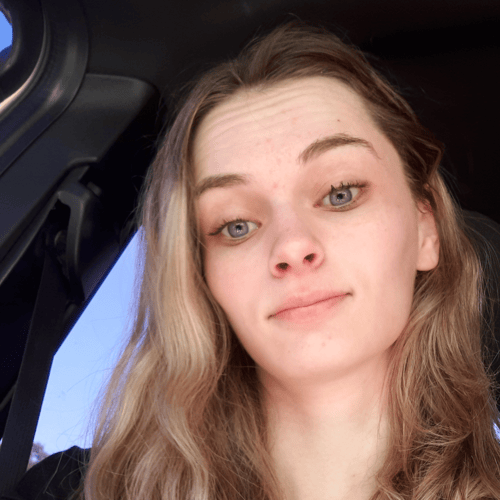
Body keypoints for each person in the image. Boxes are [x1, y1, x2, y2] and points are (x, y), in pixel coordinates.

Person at [5, 19, 500, 500]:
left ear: (425, 228)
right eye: (236, 225)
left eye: (340, 193)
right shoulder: (75, 490)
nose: (291, 246)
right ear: (200, 277)